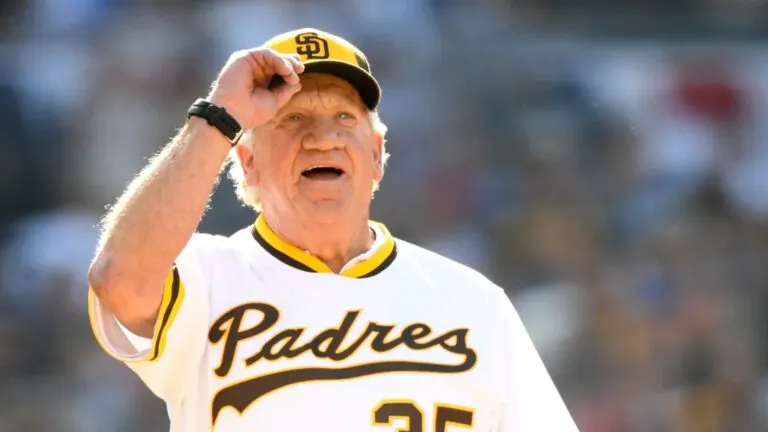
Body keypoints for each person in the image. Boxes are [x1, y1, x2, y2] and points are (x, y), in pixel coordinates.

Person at [86, 28, 578, 431]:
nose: (323, 137)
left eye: (345, 117)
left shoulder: (472, 300)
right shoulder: (205, 276)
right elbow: (118, 280)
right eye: (292, 118)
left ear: (377, 154)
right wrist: (218, 114)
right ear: (248, 161)